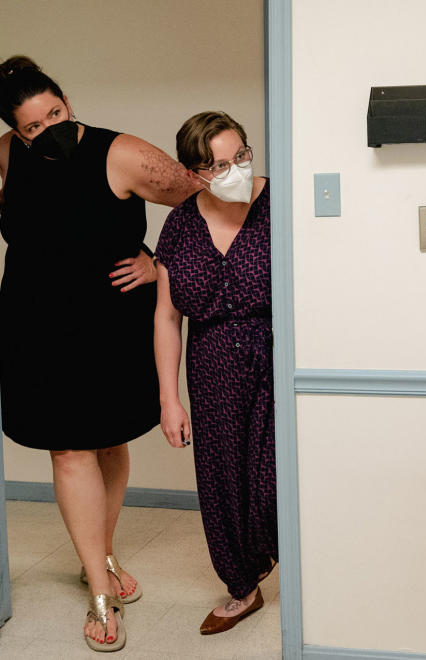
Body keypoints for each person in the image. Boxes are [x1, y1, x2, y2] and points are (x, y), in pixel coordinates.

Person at [0, 56, 197, 652]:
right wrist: (7, 204)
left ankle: (98, 555)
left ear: (68, 101)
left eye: (55, 112)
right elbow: (29, 210)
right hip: (35, 321)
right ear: (16, 129)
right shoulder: (6, 151)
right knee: (69, 447)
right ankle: (101, 592)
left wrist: (159, 264)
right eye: (33, 125)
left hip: (109, 320)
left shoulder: (123, 153)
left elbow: (205, 201)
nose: (46, 128)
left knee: (108, 440)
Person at [153, 111, 278, 636]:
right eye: (219, 165)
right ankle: (242, 588)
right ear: (195, 173)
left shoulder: (280, 204)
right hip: (211, 369)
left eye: (241, 156)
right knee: (223, 482)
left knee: (276, 478)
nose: (235, 171)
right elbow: (166, 316)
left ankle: (286, 563)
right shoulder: (180, 226)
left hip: (275, 356)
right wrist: (169, 399)